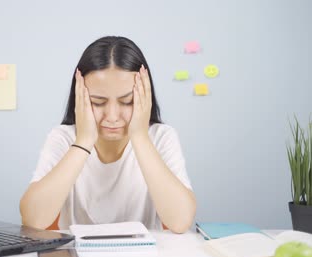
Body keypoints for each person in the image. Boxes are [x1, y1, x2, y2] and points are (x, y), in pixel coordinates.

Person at [20, 36, 196, 233]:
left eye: (127, 101)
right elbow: (34, 220)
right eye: (98, 102)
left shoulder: (161, 137)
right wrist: (84, 141)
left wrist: (139, 137)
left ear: (145, 97)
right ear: (79, 98)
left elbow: (180, 221)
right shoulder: (63, 138)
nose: (112, 117)